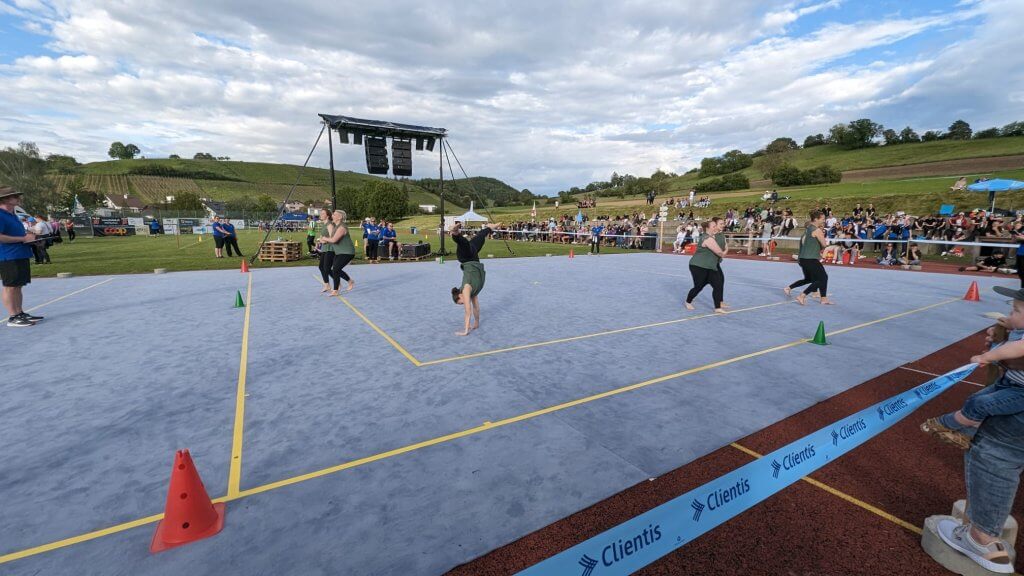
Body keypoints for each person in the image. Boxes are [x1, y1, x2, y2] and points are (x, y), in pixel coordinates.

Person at [929, 294, 1024, 573]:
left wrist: (988, 355)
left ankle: (981, 539)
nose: (1010, 313)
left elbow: (1015, 350)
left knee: (995, 455)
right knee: (983, 404)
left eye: (1016, 310)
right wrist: (1006, 327)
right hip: (1011, 385)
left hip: (1020, 394)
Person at [0, 187, 43, 327]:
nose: (18, 198)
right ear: (5, 199)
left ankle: (19, 313)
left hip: (19, 253)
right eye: (15, 196)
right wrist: (23, 239)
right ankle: (13, 317)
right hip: (8, 255)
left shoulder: (12, 215)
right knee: (10, 286)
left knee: (18, 285)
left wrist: (31, 239)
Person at [449, 220, 499, 336]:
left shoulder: (466, 290)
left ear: (460, 296)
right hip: (474, 258)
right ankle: (489, 228)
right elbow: (476, 307)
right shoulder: (472, 293)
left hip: (465, 258)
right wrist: (476, 322)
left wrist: (465, 331)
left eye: (460, 303)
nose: (463, 303)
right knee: (480, 238)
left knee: (464, 244)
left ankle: (455, 233)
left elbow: (468, 311)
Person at [785, 210, 833, 306]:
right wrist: (823, 245)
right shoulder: (817, 230)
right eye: (822, 219)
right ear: (816, 219)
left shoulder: (807, 230)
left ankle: (823, 298)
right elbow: (824, 244)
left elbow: (804, 244)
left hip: (803, 259)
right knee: (823, 278)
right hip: (810, 259)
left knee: (810, 279)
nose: (824, 221)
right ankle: (802, 295)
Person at [685, 217, 728, 313]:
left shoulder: (714, 237)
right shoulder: (707, 238)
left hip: (710, 266)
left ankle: (717, 307)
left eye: (715, 226)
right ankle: (688, 301)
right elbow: (720, 253)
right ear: (708, 228)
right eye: (714, 226)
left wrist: (724, 250)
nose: (715, 228)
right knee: (699, 286)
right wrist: (725, 251)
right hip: (698, 266)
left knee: (718, 285)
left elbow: (723, 247)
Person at [318, 209, 355, 295]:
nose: (332, 216)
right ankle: (349, 281)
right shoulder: (336, 226)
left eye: (334, 215)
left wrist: (324, 238)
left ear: (340, 217)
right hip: (339, 252)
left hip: (347, 252)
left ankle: (336, 290)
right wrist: (323, 240)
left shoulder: (342, 227)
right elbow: (331, 238)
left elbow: (334, 240)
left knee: (335, 269)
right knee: (334, 269)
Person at [316, 209, 333, 293]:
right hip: (324, 249)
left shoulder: (329, 224)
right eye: (321, 213)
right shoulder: (324, 224)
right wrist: (319, 241)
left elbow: (333, 237)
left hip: (330, 249)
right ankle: (327, 285)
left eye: (323, 213)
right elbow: (322, 237)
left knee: (327, 268)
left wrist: (324, 240)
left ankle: (338, 282)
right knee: (321, 267)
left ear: (328, 216)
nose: (321, 214)